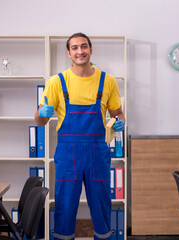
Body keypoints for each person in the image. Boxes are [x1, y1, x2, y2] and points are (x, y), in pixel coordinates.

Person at [35, 32, 125, 240]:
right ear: (69, 53)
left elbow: (117, 113)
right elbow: (39, 121)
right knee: (65, 206)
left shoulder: (108, 81)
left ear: (91, 50)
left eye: (84, 47)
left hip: (97, 153)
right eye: (74, 48)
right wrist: (41, 114)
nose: (80, 51)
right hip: (68, 154)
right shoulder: (56, 82)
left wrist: (119, 122)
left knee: (102, 205)